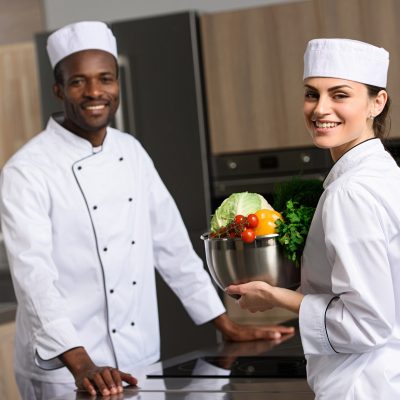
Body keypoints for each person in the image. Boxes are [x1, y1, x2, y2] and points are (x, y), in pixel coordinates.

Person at [0, 21, 294, 400]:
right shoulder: (27, 169)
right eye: (78, 81)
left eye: (105, 78)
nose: (94, 92)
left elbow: (171, 246)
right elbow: (33, 276)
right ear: (58, 89)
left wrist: (225, 324)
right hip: (67, 369)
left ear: (117, 84)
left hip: (139, 359)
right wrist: (81, 362)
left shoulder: (131, 151)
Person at [226, 38, 400, 399]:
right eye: (311, 94)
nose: (321, 109)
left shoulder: (349, 193)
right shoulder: (385, 173)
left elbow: (366, 324)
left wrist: (273, 296)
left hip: (363, 385)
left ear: (376, 103)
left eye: (339, 95)